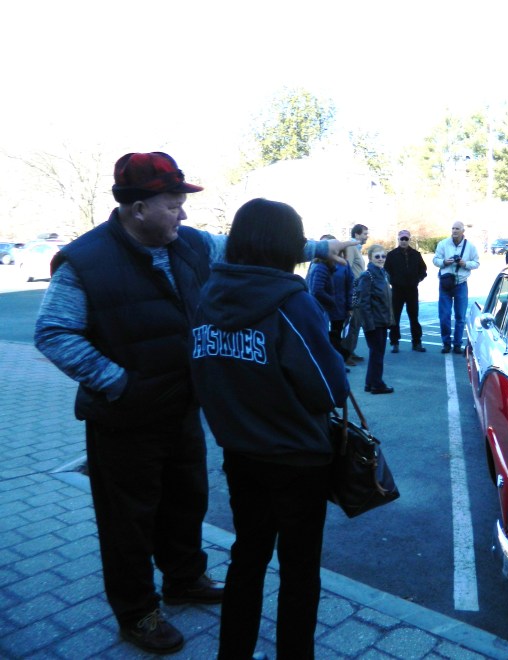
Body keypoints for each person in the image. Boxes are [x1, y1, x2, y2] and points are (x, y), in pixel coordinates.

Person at [32, 152, 350, 655]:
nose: (183, 213)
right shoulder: (85, 261)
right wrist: (119, 383)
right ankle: (138, 612)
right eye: (173, 204)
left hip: (183, 407)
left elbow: (253, 244)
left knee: (186, 501)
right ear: (138, 207)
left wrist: (321, 247)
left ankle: (184, 578)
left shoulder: (189, 243)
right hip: (124, 417)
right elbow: (53, 333)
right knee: (128, 521)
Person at [190, 198, 348, 660]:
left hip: (240, 454)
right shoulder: (291, 303)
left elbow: (203, 374)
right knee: (299, 570)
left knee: (247, 557)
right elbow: (329, 388)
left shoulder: (207, 296)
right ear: (286, 245)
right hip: (298, 458)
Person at [433, 221, 481, 354]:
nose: (454, 231)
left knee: (460, 316)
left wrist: (465, 263)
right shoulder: (443, 244)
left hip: (461, 284)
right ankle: (446, 343)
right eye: (453, 228)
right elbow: (435, 260)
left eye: (457, 229)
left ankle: (457, 344)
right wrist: (444, 262)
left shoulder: (470, 246)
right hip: (445, 284)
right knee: (444, 315)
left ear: (463, 231)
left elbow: (476, 263)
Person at [355, 243, 395, 394]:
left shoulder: (383, 273)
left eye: (383, 256)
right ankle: (377, 384)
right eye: (377, 256)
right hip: (374, 322)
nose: (380, 259)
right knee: (377, 354)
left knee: (377, 353)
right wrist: (369, 324)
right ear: (370, 258)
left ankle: (370, 383)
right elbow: (363, 302)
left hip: (382, 320)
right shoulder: (367, 276)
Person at [307, 234, 352, 359]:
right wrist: (331, 300)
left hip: (338, 307)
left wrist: (350, 306)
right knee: (323, 337)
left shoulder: (342, 264)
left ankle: (337, 359)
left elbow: (350, 285)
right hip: (324, 308)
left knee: (335, 335)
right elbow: (314, 288)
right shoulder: (319, 266)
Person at [384, 229, 428, 352]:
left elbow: (423, 270)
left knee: (414, 317)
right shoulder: (391, 255)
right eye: (401, 239)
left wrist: (418, 279)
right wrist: (392, 281)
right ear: (398, 239)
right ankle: (394, 342)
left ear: (409, 240)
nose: (403, 241)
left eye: (406, 239)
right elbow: (386, 271)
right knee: (395, 317)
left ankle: (417, 342)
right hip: (397, 290)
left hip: (412, 290)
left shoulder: (416, 254)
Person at [340, 224, 369, 365]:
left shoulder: (356, 248)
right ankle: (345, 355)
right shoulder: (351, 248)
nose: (367, 236)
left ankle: (351, 351)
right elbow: (347, 269)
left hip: (358, 291)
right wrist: (350, 292)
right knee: (351, 324)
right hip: (353, 292)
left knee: (356, 323)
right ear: (357, 235)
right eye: (365, 234)